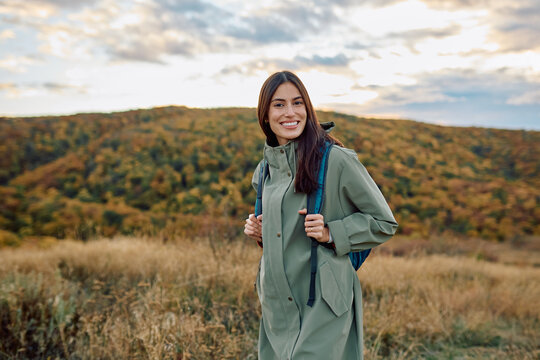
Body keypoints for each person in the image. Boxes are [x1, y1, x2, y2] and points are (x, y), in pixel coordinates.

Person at [244, 70, 398, 360]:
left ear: (308, 108)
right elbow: (279, 237)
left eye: (297, 103)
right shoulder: (264, 170)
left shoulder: (337, 160)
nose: (289, 112)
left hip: (324, 305)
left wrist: (331, 232)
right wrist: (258, 231)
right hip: (277, 305)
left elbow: (384, 223)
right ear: (265, 115)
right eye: (278, 105)